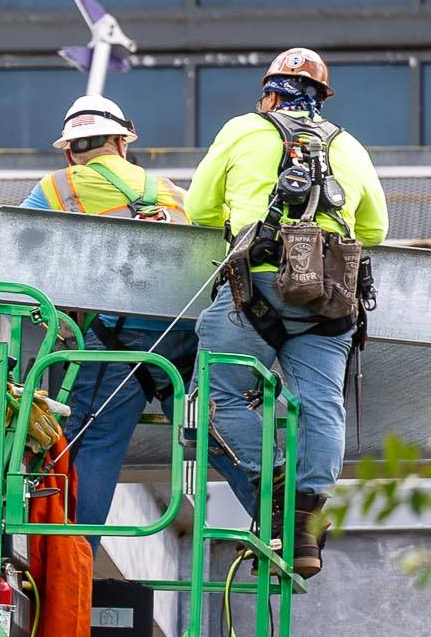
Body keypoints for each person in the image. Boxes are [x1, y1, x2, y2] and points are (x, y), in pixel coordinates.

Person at [184, 47, 387, 577]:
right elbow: (375, 232)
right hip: (330, 298)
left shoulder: (244, 129)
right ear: (322, 98)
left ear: (270, 93)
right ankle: (302, 521)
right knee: (321, 406)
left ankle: (273, 489)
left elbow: (198, 210)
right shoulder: (351, 145)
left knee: (216, 398)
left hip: (258, 287)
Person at [22, 93, 192, 525]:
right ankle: (288, 521)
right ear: (122, 141)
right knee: (208, 432)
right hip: (184, 336)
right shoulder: (173, 192)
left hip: (115, 340)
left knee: (92, 446)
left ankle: (71, 566)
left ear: (72, 150)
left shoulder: (57, 187)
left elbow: (11, 249)